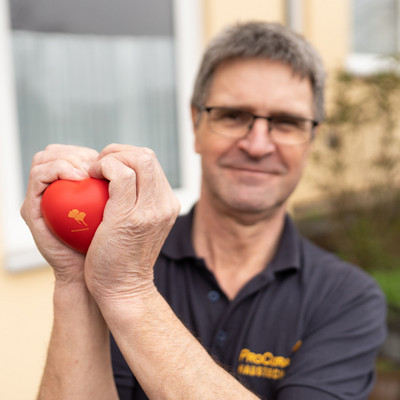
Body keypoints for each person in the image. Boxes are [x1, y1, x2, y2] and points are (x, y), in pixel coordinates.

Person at [21, 21, 386, 400]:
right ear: (196, 124)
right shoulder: (119, 257)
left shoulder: (347, 298)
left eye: (286, 122)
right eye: (233, 115)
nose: (258, 145)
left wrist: (129, 293)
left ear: (311, 139)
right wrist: (76, 276)